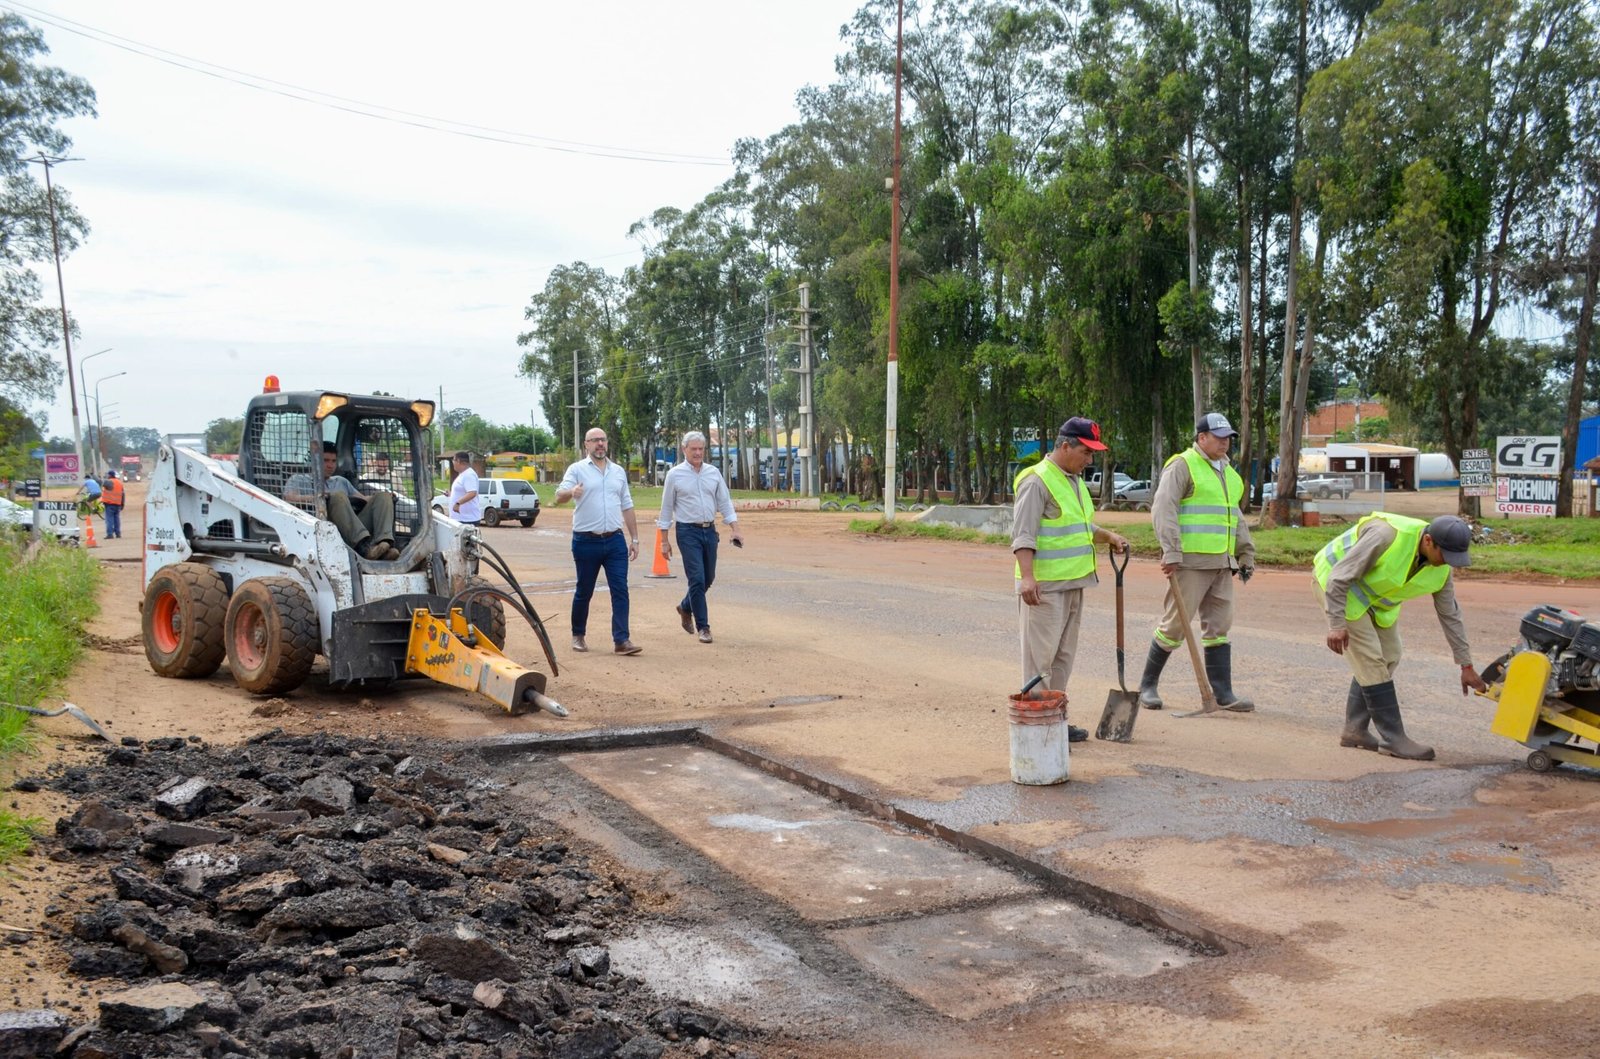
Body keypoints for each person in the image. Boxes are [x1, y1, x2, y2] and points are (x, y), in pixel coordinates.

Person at [1314, 513, 1488, 760]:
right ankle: (1393, 738)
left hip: (1375, 600)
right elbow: (1339, 578)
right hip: (1337, 587)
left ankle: (1355, 731)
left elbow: (1450, 615)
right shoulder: (1386, 536)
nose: (1448, 563)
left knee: (1390, 654)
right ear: (1428, 541)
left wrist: (1466, 665)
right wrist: (1336, 624)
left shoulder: (1441, 570)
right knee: (1371, 661)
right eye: (1445, 556)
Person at [1012, 417, 1130, 742]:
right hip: (1044, 588)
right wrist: (1027, 577)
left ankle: (1055, 718)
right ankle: (1039, 727)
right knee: (1040, 660)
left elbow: (1078, 526)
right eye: (1086, 452)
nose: (1089, 460)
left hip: (1075, 584)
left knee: (1062, 658)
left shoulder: (1073, 481)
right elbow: (1023, 535)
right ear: (1065, 446)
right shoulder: (1037, 481)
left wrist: (1106, 535)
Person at [1139, 413, 1257, 712]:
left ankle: (1223, 693)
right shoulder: (1182, 465)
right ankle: (1147, 685)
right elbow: (1163, 508)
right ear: (1201, 437)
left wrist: (1245, 552)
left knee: (1219, 626)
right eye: (1218, 437)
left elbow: (1235, 517)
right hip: (1189, 563)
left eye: (1228, 436)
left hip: (1221, 562)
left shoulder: (1230, 474)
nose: (1225, 442)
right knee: (1175, 625)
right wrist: (1171, 551)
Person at [554, 428, 643, 656]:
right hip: (586, 541)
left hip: (614, 540)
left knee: (620, 589)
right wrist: (571, 492)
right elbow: (558, 496)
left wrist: (634, 538)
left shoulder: (618, 472)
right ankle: (578, 635)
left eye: (603, 439)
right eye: (595, 441)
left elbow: (627, 505)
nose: (600, 444)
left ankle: (621, 640)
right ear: (586, 445)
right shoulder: (577, 470)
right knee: (584, 590)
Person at [657, 431, 744, 644]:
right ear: (684, 450)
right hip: (687, 532)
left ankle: (686, 606)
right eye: (693, 449)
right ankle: (703, 627)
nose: (697, 453)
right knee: (696, 578)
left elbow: (724, 502)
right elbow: (666, 509)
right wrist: (664, 541)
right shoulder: (674, 475)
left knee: (708, 578)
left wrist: (735, 528)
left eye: (700, 449)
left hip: (709, 531)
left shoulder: (713, 473)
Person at [285, 443, 399, 561]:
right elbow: (289, 498)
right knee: (337, 496)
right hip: (325, 530)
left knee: (383, 497)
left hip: (351, 529)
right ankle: (363, 549)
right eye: (326, 460)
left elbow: (363, 499)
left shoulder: (341, 481)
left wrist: (380, 496)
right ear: (315, 461)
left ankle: (383, 545)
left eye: (334, 461)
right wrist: (318, 498)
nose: (330, 465)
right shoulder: (298, 479)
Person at [447, 451, 481, 526]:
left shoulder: (469, 475)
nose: (453, 463)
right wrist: (451, 495)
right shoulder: (463, 474)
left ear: (458, 461)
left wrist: (458, 503)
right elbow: (463, 492)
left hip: (467, 519)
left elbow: (472, 493)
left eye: (453, 460)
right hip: (460, 518)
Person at [101, 471, 125, 539]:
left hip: (109, 504)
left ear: (110, 475)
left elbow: (102, 484)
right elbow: (123, 494)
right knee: (117, 519)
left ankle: (110, 534)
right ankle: (118, 533)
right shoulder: (119, 483)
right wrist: (122, 504)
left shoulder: (109, 481)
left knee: (109, 519)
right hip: (118, 504)